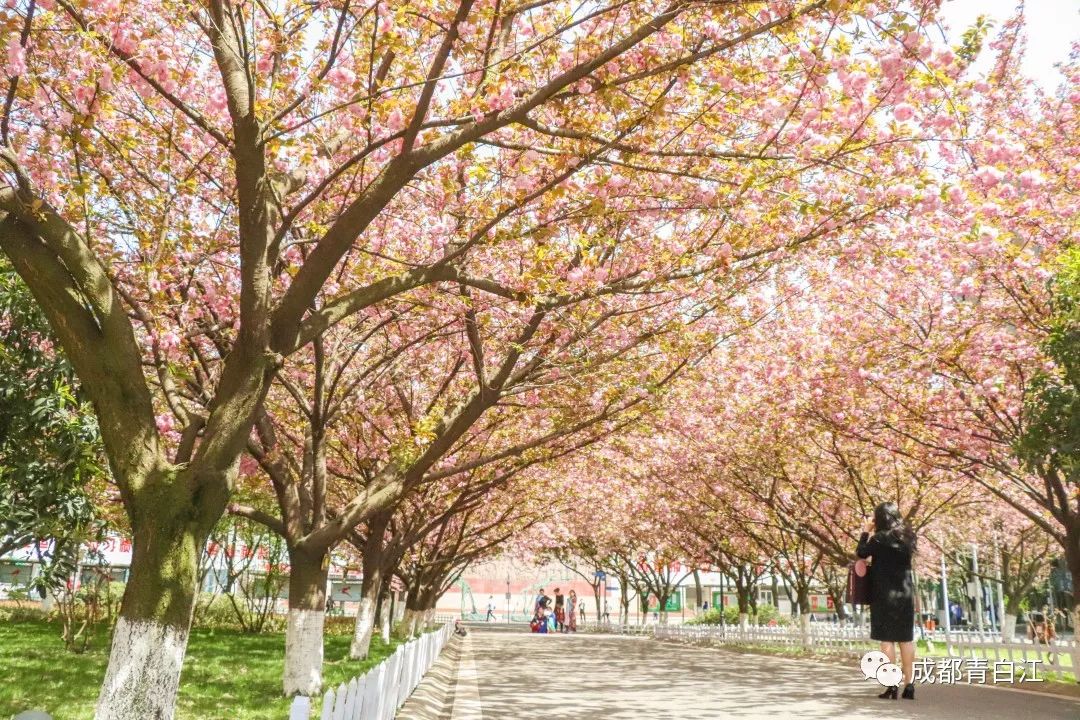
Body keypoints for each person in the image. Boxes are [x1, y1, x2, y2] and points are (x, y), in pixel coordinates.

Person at [856, 502, 918, 701]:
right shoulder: (909, 537)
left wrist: (866, 531)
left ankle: (891, 685)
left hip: (883, 594)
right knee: (906, 639)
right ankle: (909, 685)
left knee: (887, 640)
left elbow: (861, 553)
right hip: (905, 593)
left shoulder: (879, 539)